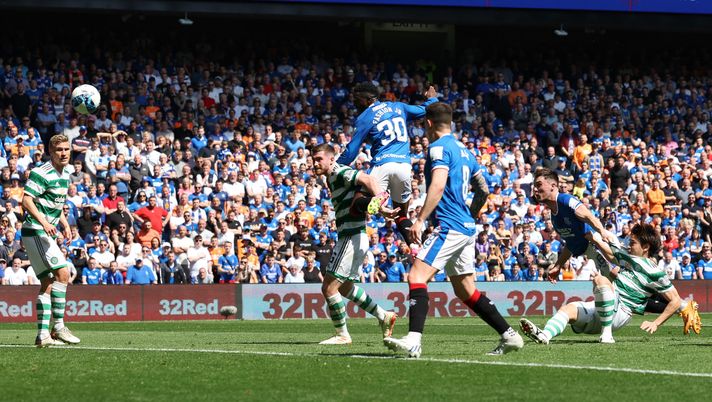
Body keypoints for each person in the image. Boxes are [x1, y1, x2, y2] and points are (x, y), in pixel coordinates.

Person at [384, 103, 523, 357]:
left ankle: (414, 340)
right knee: (465, 289)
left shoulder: (437, 148)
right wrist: (471, 214)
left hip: (449, 225)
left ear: (427, 124)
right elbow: (482, 189)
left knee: (416, 276)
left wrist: (420, 220)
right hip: (466, 226)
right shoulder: (465, 151)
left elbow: (436, 185)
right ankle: (509, 335)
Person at [520, 223, 683, 344]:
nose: (629, 245)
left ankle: (606, 335)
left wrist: (656, 323)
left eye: (633, 243)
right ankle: (545, 336)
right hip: (607, 307)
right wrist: (593, 239)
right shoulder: (629, 260)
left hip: (622, 312)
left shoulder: (655, 271)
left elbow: (675, 300)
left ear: (646, 247)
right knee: (567, 309)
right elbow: (609, 252)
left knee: (600, 279)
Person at [312, 143, 398, 345]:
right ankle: (384, 315)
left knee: (329, 288)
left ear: (331, 159)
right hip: (353, 236)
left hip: (351, 236)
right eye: (313, 159)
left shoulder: (339, 171)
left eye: (319, 159)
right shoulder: (330, 178)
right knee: (345, 287)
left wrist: (380, 201)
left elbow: (367, 179)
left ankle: (342, 335)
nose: (315, 163)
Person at [336, 82, 438, 241]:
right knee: (401, 215)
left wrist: (335, 167)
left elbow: (351, 151)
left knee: (356, 205)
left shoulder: (364, 117)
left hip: (382, 165)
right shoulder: (398, 107)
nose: (355, 103)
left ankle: (373, 201)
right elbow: (425, 110)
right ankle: (417, 247)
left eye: (357, 99)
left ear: (368, 99)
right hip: (404, 167)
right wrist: (432, 99)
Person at [21, 134, 80, 346]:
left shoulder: (65, 174)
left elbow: (56, 204)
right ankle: (58, 327)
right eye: (59, 150)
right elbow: (26, 200)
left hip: (44, 232)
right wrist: (45, 223)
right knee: (63, 273)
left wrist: (64, 224)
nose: (64, 153)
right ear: (50, 152)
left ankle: (43, 336)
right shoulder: (41, 173)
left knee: (47, 282)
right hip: (36, 230)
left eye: (66, 149)